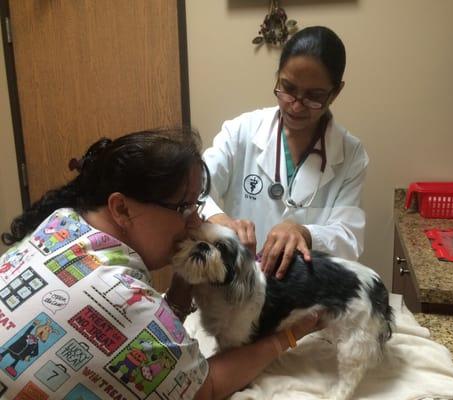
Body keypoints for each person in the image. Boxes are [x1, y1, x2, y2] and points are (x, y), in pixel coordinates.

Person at [0, 128, 322, 400]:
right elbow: (204, 386)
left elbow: (147, 333)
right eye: (183, 207)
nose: (195, 220)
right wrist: (287, 338)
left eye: (196, 204)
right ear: (122, 209)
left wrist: (182, 285)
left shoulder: (61, 222)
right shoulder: (122, 297)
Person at [203, 26, 369, 279]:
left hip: (302, 296)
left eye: (314, 96)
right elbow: (194, 190)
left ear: (335, 92)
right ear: (278, 77)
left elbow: (349, 237)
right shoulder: (241, 131)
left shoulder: (350, 153)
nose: (296, 105)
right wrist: (219, 219)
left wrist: (305, 232)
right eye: (288, 88)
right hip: (237, 285)